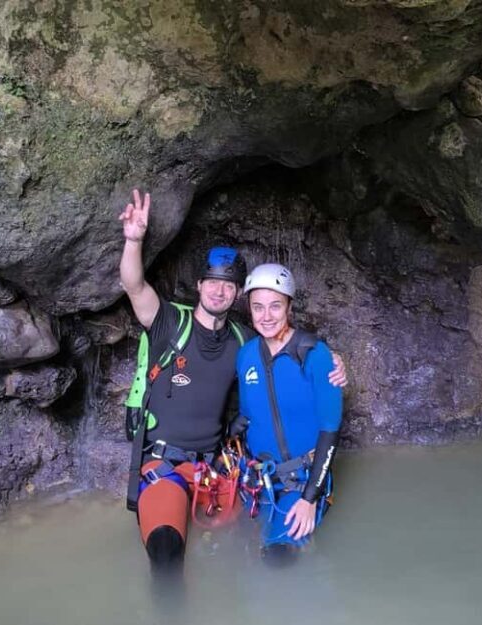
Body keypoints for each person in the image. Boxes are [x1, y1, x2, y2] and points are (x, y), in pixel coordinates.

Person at [118, 190, 346, 574]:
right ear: (200, 285)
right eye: (212, 282)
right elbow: (134, 286)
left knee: (250, 556)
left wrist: (336, 362)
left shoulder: (244, 342)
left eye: (229, 285)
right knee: (167, 555)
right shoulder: (170, 322)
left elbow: (282, 368)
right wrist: (133, 241)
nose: (219, 290)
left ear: (237, 294)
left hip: (217, 467)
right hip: (165, 462)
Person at [235, 263, 343, 561]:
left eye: (275, 306)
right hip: (258, 479)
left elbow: (330, 431)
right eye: (258, 307)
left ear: (289, 307)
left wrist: (309, 498)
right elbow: (248, 414)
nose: (266, 316)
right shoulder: (246, 355)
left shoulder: (314, 354)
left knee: (279, 557)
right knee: (236, 548)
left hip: (302, 479)